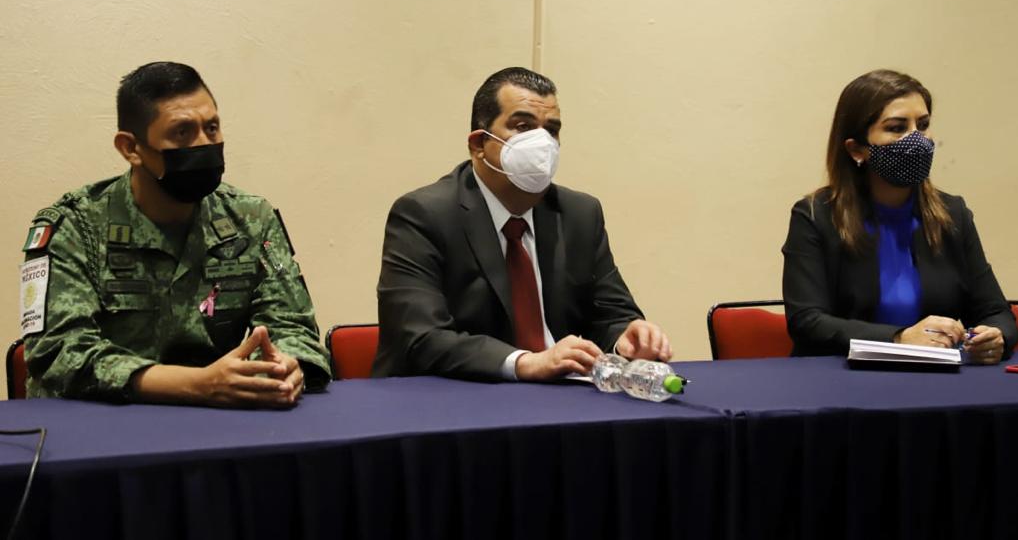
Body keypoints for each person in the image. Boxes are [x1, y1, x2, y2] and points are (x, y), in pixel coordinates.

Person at [20, 62, 330, 405]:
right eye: (182, 132)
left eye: (211, 128)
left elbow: (294, 327)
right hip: (102, 421)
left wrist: (279, 367)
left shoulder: (249, 219)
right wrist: (197, 385)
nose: (204, 144)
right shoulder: (74, 227)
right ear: (131, 148)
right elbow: (57, 351)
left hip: (221, 419)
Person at [372, 66, 672, 381]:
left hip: (560, 396)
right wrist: (524, 363)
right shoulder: (424, 214)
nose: (542, 142)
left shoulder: (579, 214)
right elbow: (421, 337)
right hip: (452, 396)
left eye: (551, 130)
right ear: (479, 144)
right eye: (523, 126)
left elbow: (612, 315)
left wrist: (627, 337)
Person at [782, 69, 1018, 361]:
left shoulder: (952, 214)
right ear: (856, 149)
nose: (916, 139)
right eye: (897, 127)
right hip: (842, 377)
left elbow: (997, 312)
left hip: (938, 379)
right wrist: (898, 339)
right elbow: (807, 321)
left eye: (923, 125)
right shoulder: (815, 215)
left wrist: (995, 336)